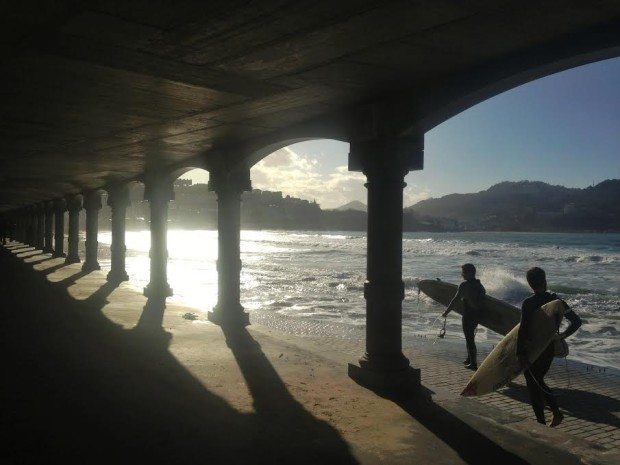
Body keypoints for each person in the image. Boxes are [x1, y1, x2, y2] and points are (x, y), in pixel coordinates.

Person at [517, 267, 582, 427]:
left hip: (532, 348)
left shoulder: (529, 303)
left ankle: (546, 419)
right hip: (548, 348)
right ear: (545, 281)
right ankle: (552, 415)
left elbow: (523, 329)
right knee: (536, 381)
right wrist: (561, 336)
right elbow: (576, 321)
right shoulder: (557, 302)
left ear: (530, 284)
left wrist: (520, 352)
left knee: (534, 383)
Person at [442, 263, 486, 370]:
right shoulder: (479, 285)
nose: (462, 275)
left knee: (469, 338)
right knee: (470, 337)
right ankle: (469, 358)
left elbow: (455, 300)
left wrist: (446, 312)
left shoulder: (464, 285)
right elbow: (483, 301)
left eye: (463, 272)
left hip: (468, 315)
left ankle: (473, 363)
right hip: (476, 315)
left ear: (469, 273)